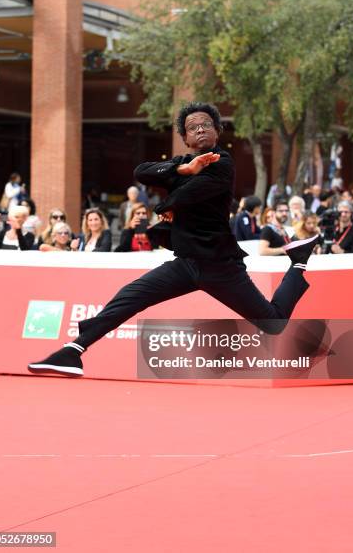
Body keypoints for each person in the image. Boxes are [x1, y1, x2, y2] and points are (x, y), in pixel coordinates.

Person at [28, 102, 318, 377]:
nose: (201, 130)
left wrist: (166, 206)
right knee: (130, 297)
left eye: (207, 125)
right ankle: (73, 351)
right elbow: (140, 172)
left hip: (220, 265)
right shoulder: (181, 164)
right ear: (185, 138)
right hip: (186, 263)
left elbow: (189, 194)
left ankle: (298, 263)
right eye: (193, 128)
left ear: (217, 132)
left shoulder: (222, 162)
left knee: (273, 323)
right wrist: (182, 168)